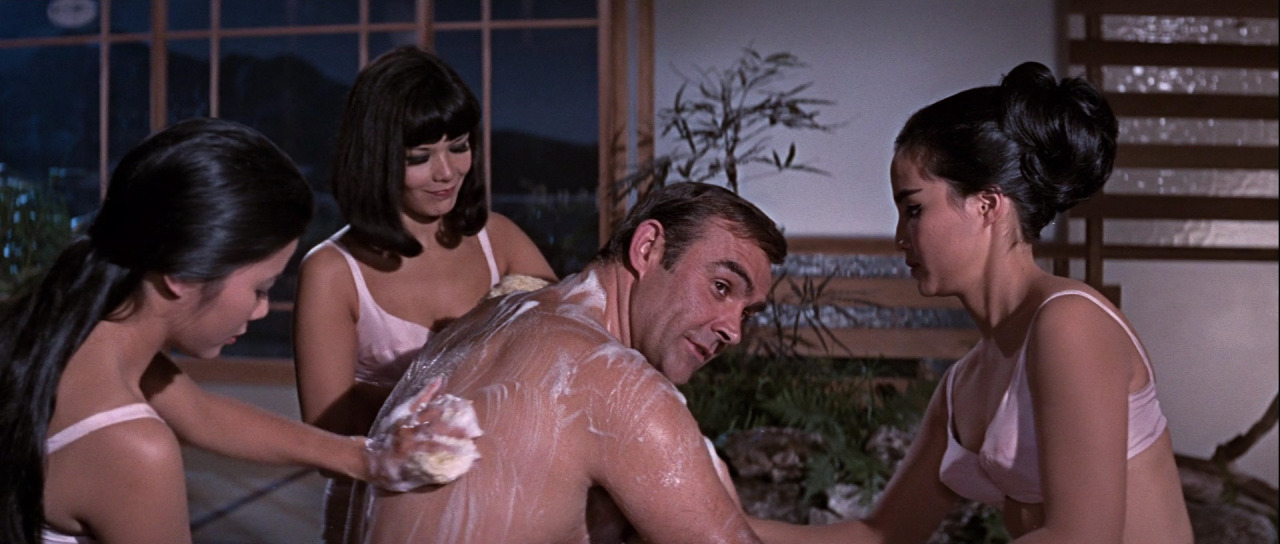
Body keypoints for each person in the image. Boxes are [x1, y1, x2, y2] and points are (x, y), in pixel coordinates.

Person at [751, 62, 1193, 543]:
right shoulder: (964, 383)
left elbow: (1082, 538)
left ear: (986, 205)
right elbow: (880, 535)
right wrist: (718, 524)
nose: (899, 236)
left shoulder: (1071, 323)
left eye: (914, 208)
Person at [0, 118, 471, 544]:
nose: (263, 309)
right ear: (182, 276)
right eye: (261, 288)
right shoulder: (132, 446)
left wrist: (366, 457)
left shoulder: (67, 330)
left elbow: (200, 414)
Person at [352, 181, 786, 543]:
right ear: (648, 247)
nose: (734, 331)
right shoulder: (617, 385)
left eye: (748, 313)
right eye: (721, 287)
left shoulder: (486, 319)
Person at [291, 45, 556, 542]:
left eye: (459, 146)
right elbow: (329, 434)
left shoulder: (499, 238)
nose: (447, 171)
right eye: (419, 157)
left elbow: (567, 352)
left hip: (497, 506)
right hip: (383, 511)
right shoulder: (332, 272)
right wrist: (454, 398)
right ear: (375, 159)